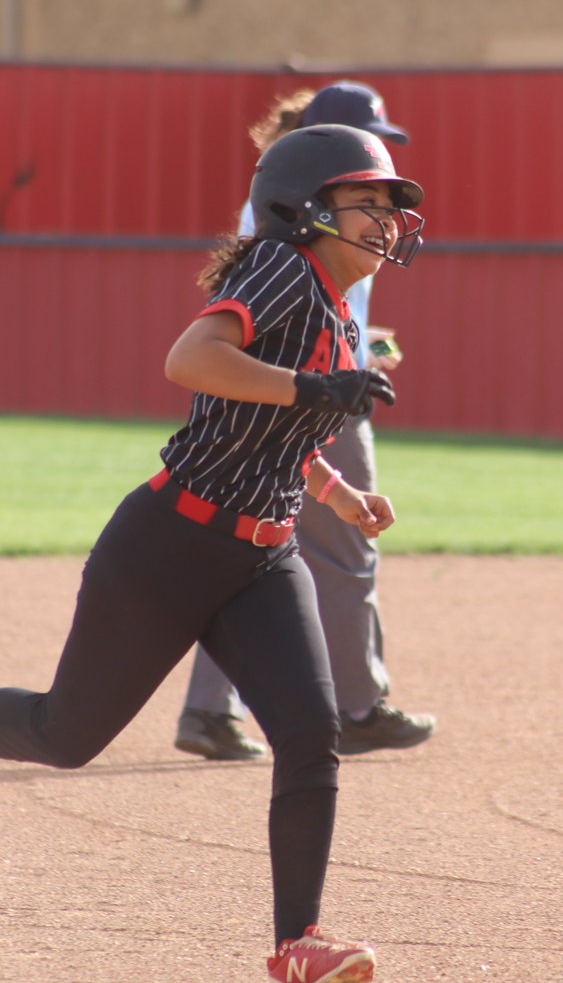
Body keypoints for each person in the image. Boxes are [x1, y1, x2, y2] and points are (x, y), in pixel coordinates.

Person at [0, 123, 425, 982]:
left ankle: (297, 944)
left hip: (262, 557)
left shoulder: (337, 310)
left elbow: (274, 431)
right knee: (63, 735)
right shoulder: (281, 270)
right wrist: (317, 387)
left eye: (390, 207)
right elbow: (190, 361)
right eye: (365, 202)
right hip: (169, 546)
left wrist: (338, 495)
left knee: (310, 738)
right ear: (305, 210)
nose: (384, 221)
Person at [175, 81, 436, 762]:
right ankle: (357, 706)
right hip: (311, 392)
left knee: (251, 553)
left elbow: (305, 312)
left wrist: (359, 345)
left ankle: (210, 711)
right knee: (341, 554)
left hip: (310, 380)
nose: (380, 194)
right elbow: (252, 318)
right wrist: (325, 378)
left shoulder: (315, 210)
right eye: (368, 187)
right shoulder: (294, 221)